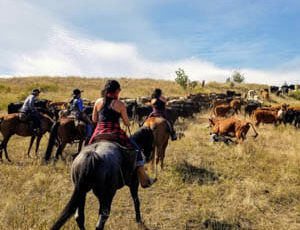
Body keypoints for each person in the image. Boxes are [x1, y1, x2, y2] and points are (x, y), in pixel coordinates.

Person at [89, 80, 153, 188]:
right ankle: (143, 179)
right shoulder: (120, 104)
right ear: (117, 91)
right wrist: (129, 122)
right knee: (136, 150)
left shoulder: (98, 101)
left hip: (99, 132)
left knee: (88, 148)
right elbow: (126, 122)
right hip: (114, 132)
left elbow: (94, 119)